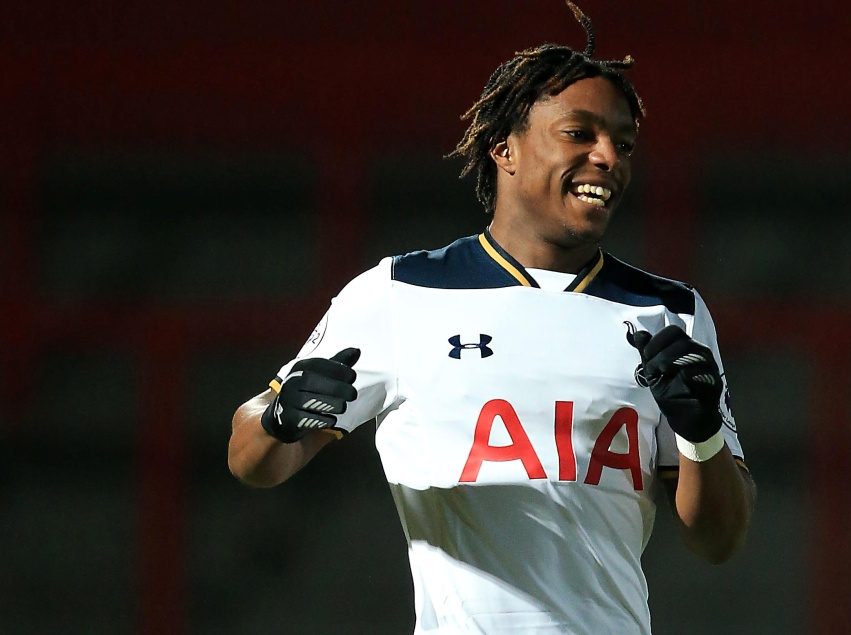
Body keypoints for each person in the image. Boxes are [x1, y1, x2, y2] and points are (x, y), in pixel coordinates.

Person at [228, 2, 755, 632]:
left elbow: (721, 539)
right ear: (504, 147)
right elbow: (254, 457)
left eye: (623, 142)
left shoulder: (670, 314)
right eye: (579, 132)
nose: (609, 156)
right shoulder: (400, 292)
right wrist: (281, 415)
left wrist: (702, 435)